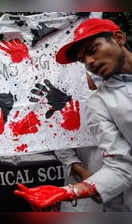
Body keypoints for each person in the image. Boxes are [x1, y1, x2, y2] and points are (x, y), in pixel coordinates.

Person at [14, 18, 132, 211]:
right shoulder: (99, 103)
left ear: (118, 38)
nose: (89, 62)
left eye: (92, 50)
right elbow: (122, 166)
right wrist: (71, 191)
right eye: (82, 60)